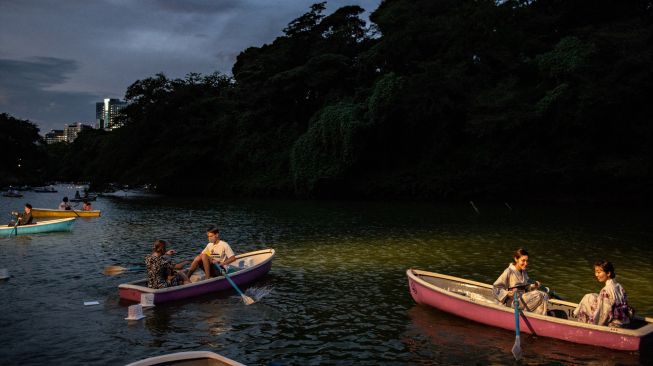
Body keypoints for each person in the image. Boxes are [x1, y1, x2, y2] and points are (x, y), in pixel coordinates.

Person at [573, 260, 633, 327]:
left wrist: (593, 323)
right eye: (596, 272)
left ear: (608, 273)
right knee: (589, 296)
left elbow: (603, 315)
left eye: (599, 272)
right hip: (625, 321)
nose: (596, 275)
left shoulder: (605, 290)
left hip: (613, 325)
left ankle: (582, 326)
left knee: (586, 301)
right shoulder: (619, 286)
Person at [493, 248, 549, 315]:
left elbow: (526, 288)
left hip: (523, 300)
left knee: (545, 295)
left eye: (527, 261)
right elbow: (495, 288)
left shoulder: (524, 271)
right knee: (539, 294)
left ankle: (542, 316)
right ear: (516, 259)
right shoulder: (508, 271)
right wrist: (507, 293)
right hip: (513, 302)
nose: (526, 263)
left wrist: (534, 286)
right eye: (523, 261)